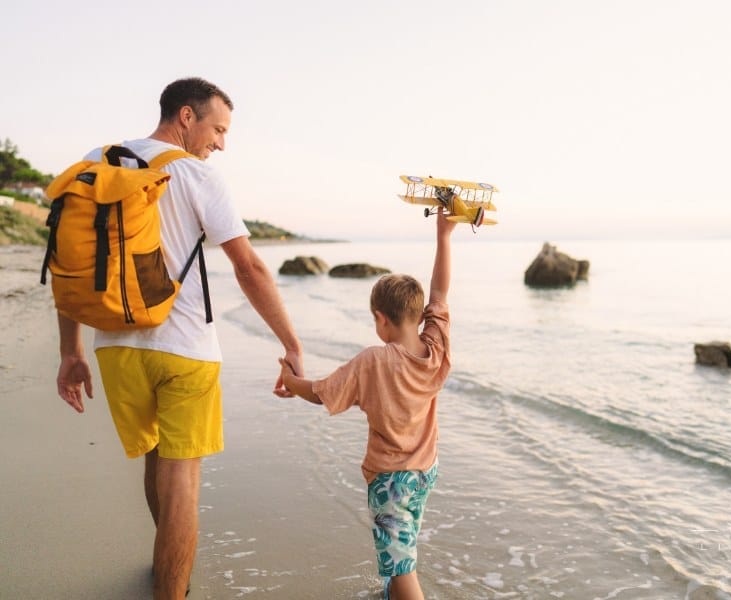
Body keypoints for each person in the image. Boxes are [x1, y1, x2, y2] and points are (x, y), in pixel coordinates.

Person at [55, 77, 303, 600]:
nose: (221, 143)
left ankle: (165, 566)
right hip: (185, 348)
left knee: (156, 459)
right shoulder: (195, 176)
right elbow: (249, 267)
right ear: (186, 117)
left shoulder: (97, 160)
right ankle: (173, 589)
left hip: (116, 346)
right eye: (218, 128)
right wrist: (292, 343)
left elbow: (70, 263)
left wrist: (69, 351)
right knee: (183, 482)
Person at [275, 208, 457, 600]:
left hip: (392, 477)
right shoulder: (436, 347)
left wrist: (291, 380)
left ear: (380, 319)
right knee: (402, 548)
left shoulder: (374, 361)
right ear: (416, 313)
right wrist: (444, 235)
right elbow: (440, 292)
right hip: (426, 469)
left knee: (401, 564)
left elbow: (322, 391)